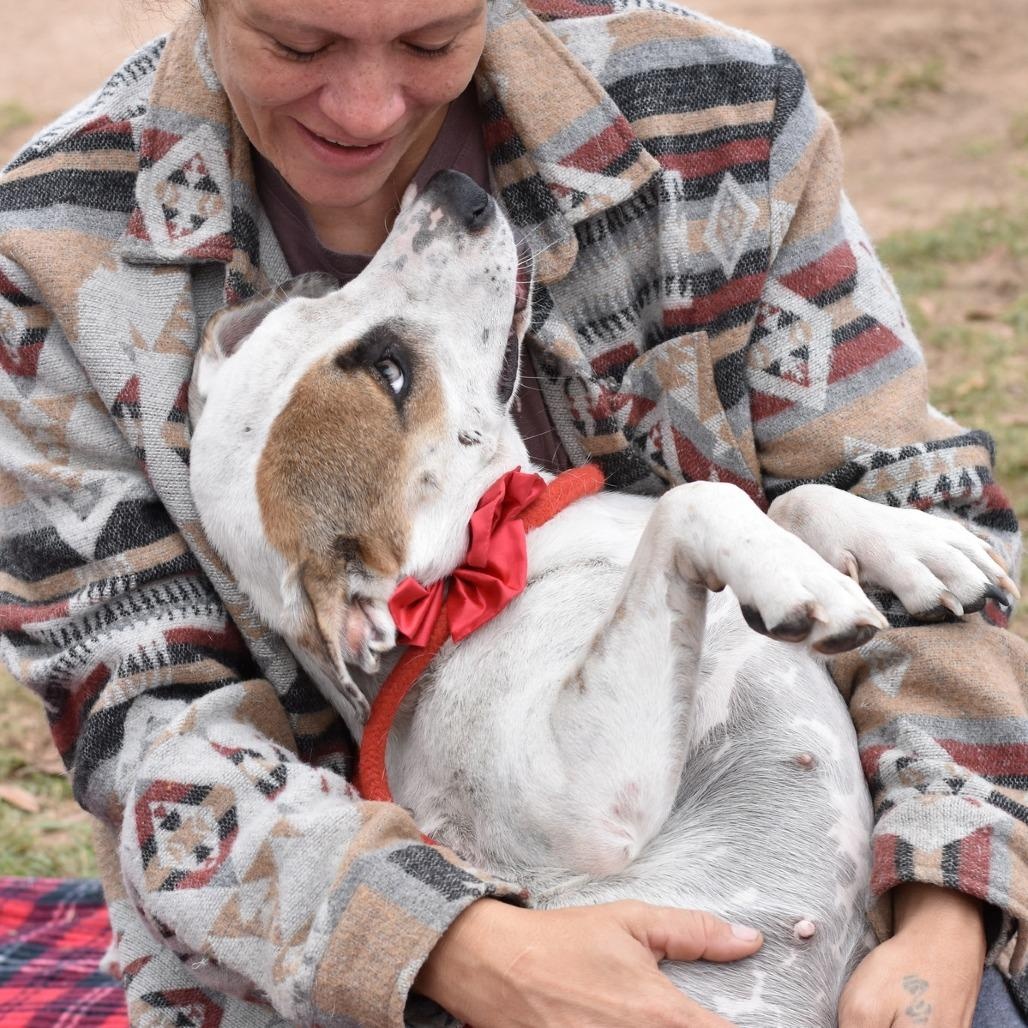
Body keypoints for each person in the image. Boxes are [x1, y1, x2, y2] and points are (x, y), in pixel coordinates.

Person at [0, 0, 1025, 1025]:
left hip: (875, 904)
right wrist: (467, 948)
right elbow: (145, 726)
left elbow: (916, 510)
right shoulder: (48, 252)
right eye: (296, 45)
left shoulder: (716, 107)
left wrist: (943, 910)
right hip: (392, 975)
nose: (365, 107)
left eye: (431, 41)